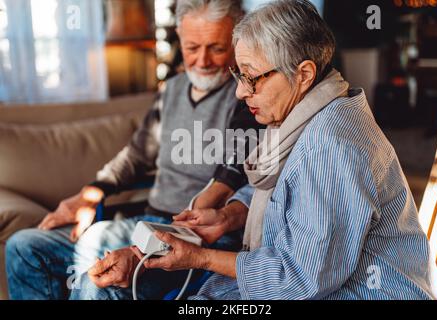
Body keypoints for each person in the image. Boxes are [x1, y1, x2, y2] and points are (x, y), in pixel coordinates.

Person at [73, 0, 437, 300]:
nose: (239, 91)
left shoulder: (330, 146)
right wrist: (231, 216)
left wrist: (200, 257)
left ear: (304, 74)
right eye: (239, 75)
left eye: (251, 77)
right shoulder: (309, 114)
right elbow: (286, 188)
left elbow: (299, 280)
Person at [6, 0, 261, 300]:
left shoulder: (246, 94)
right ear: (179, 36)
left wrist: (205, 206)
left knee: (96, 284)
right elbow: (135, 156)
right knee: (23, 247)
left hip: (199, 239)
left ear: (236, 40)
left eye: (216, 48)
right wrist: (88, 195)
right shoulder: (172, 90)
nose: (202, 60)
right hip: (145, 223)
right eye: (192, 47)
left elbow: (233, 168)